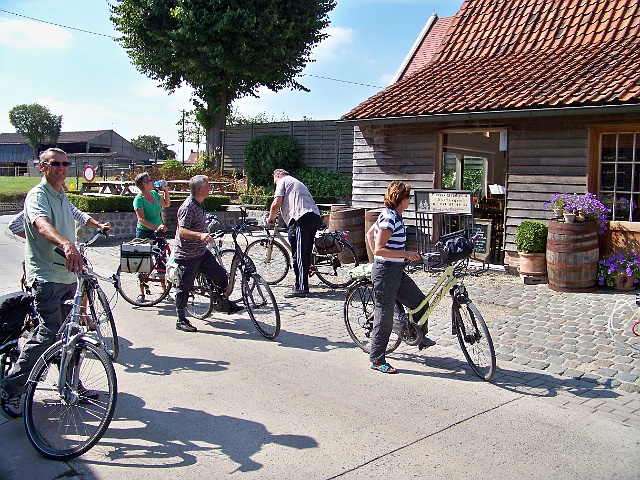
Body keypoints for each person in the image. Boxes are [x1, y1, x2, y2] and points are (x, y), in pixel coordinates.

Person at [1, 148, 111, 419]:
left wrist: (94, 224)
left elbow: (75, 213)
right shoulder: (38, 195)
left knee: (71, 335)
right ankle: (11, 387)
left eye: (65, 163)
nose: (62, 167)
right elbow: (41, 224)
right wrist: (66, 243)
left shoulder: (61, 193)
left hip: (67, 275)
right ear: (43, 167)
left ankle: (71, 384)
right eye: (56, 164)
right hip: (47, 275)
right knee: (49, 332)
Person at [366, 181, 435, 374]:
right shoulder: (389, 218)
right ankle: (377, 360)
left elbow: (369, 234)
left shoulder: (393, 215)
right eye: (409, 198)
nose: (410, 200)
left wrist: (386, 258)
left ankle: (420, 337)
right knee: (384, 317)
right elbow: (379, 247)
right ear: (402, 199)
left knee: (420, 302)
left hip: (395, 271)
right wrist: (400, 255)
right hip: (386, 272)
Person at [173, 175, 243, 332]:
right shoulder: (188, 207)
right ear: (200, 190)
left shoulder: (199, 204)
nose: (211, 188)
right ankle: (180, 319)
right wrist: (200, 235)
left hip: (200, 252)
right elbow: (181, 230)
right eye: (208, 186)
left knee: (221, 275)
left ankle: (222, 302)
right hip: (187, 254)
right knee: (184, 287)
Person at [267, 169, 322, 298]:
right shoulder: (296, 181)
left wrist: (270, 217)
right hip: (313, 216)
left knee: (299, 254)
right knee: (305, 253)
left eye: (275, 181)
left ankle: (301, 287)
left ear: (278, 176)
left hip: (300, 217)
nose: (276, 184)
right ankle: (301, 283)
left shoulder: (282, 181)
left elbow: (276, 202)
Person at [132, 172, 171, 301]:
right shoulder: (139, 199)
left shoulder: (154, 194)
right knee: (142, 261)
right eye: (150, 180)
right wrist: (157, 227)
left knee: (162, 259)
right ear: (144, 184)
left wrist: (165, 190)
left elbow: (166, 204)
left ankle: (164, 291)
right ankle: (141, 293)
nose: (153, 181)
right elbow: (141, 220)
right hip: (145, 232)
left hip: (158, 232)